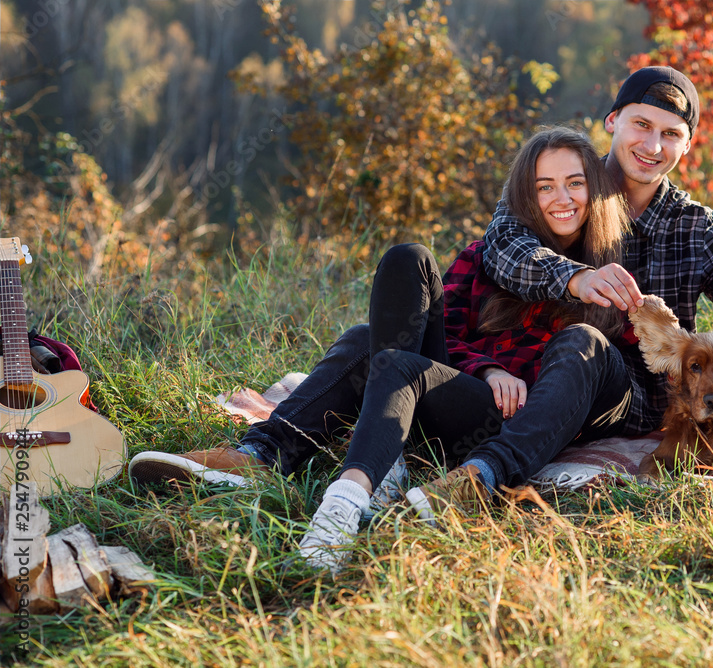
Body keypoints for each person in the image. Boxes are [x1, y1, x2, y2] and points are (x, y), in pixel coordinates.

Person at [129, 126, 635, 573]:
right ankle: (264, 455)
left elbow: (621, 374)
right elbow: (451, 337)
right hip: (463, 395)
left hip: (511, 423)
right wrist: (486, 369)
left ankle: (352, 480)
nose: (560, 198)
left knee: (364, 346)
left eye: (574, 183)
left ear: (595, 188)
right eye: (544, 186)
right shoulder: (494, 253)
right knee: (402, 268)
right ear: (526, 196)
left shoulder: (614, 270)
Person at [482, 66, 713, 439]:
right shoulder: (564, 187)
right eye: (641, 125)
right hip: (526, 378)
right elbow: (502, 246)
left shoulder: (694, 225)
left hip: (633, 403)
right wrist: (577, 277)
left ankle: (487, 470)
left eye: (671, 134)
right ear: (612, 120)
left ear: (688, 144)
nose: (652, 146)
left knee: (586, 344)